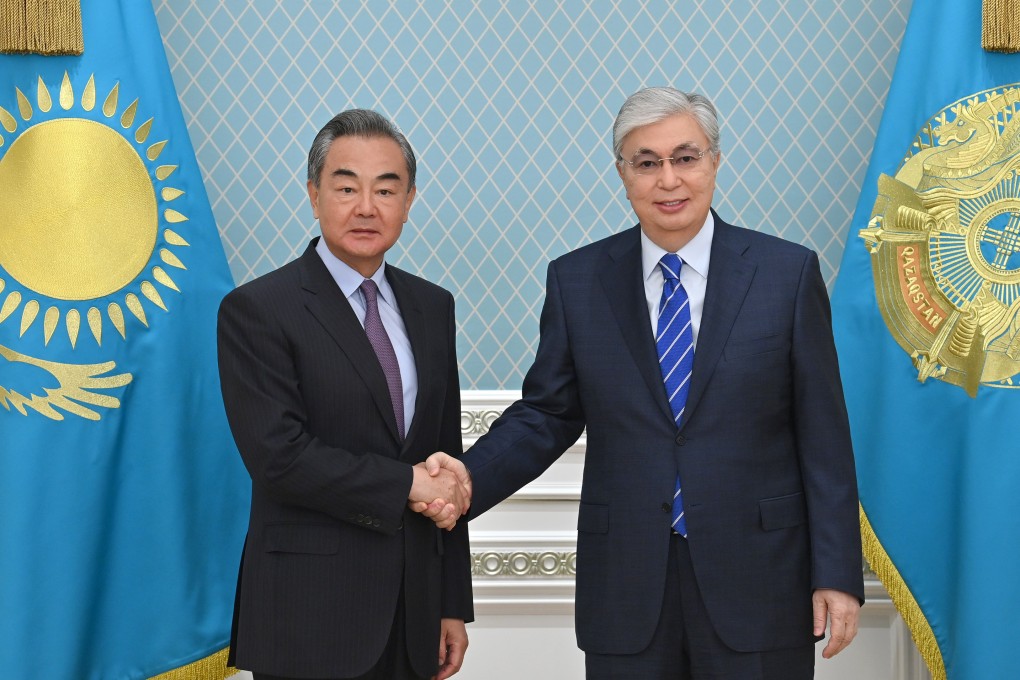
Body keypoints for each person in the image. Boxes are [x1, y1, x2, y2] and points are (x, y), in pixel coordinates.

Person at [419, 87, 864, 679]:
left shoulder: (786, 274)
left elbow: (823, 436)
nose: (669, 180)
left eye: (686, 157)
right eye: (647, 162)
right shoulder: (578, 281)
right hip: (627, 584)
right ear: (622, 173)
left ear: (715, 161)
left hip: (759, 580)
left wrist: (836, 573)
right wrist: (468, 479)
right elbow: (546, 415)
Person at [217, 109, 473, 680]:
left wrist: (453, 603)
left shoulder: (433, 307)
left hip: (414, 612)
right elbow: (278, 456)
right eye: (346, 186)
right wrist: (407, 483)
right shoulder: (259, 309)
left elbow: (444, 455)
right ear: (314, 195)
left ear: (409, 201)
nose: (366, 207)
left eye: (386, 189)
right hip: (308, 613)